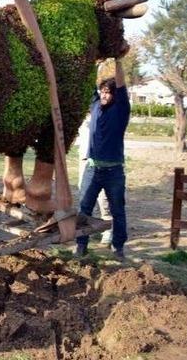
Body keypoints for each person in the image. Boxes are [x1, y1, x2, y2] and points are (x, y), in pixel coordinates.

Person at [76, 58, 130, 260]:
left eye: (109, 92)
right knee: (84, 209)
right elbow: (90, 83)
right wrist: (95, 63)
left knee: (118, 210)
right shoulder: (96, 105)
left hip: (114, 171)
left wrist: (117, 61)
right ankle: (81, 246)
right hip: (93, 170)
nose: (105, 95)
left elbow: (122, 84)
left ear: (116, 95)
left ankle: (118, 247)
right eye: (103, 92)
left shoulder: (121, 109)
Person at [77, 114, 113, 245]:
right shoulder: (84, 115)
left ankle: (108, 229)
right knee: (84, 196)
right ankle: (84, 236)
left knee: (103, 197)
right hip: (85, 159)